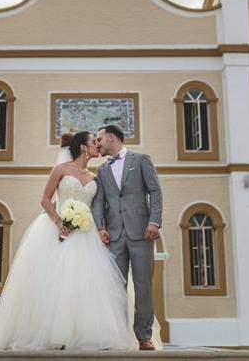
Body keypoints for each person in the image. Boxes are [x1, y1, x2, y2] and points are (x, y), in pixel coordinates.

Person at [0, 131, 136, 351]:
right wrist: (59, 222)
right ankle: (53, 335)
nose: (97, 145)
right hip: (58, 230)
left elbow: (98, 208)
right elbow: (45, 199)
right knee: (55, 281)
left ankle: (88, 335)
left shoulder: (94, 177)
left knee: (87, 283)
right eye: (94, 142)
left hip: (86, 234)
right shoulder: (61, 170)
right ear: (82, 147)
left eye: (98, 142)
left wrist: (101, 228)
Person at [92, 124, 164, 351]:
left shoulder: (141, 160)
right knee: (115, 287)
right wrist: (100, 227)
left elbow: (155, 191)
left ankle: (144, 336)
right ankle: (117, 336)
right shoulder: (102, 171)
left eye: (100, 139)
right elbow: (99, 201)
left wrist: (154, 221)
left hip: (142, 231)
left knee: (143, 285)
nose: (97, 143)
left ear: (111, 137)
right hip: (114, 235)